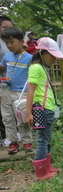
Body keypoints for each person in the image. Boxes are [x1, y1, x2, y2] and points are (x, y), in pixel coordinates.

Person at [26, 37, 63, 181]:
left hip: (48, 109)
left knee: (47, 139)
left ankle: (47, 167)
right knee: (42, 140)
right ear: (42, 53)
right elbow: (30, 91)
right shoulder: (36, 67)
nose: (54, 60)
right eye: (52, 56)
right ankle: (41, 172)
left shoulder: (43, 68)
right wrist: (28, 112)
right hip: (41, 109)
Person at [0, 27, 33, 154]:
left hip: (22, 92)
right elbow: (4, 68)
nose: (9, 45)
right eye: (6, 42)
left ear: (21, 41)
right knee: (7, 117)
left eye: (12, 42)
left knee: (22, 118)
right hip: (6, 90)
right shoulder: (7, 56)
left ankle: (26, 142)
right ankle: (12, 141)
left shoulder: (29, 58)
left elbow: (32, 76)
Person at [0, 16, 14, 147]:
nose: (7, 31)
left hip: (6, 83)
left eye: (10, 28)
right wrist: (9, 64)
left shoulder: (8, 42)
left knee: (7, 108)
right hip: (2, 80)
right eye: (5, 27)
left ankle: (9, 136)